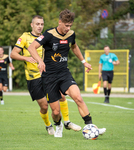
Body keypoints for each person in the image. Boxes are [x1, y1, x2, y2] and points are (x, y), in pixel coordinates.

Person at [27, 9, 106, 137]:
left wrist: (83, 61)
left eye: (70, 26)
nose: (68, 28)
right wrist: (40, 61)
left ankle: (91, 127)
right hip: (49, 77)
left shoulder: (71, 34)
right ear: (60, 22)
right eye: (66, 25)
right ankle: (58, 126)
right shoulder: (48, 34)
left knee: (78, 98)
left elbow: (74, 46)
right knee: (56, 112)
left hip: (64, 74)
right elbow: (31, 47)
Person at [10, 15, 81, 136]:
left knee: (62, 97)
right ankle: (48, 125)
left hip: (48, 75)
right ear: (32, 25)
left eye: (42, 24)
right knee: (44, 106)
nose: (40, 26)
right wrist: (26, 58)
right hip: (34, 78)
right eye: (37, 24)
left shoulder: (47, 36)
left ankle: (67, 122)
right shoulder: (25, 37)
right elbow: (13, 54)